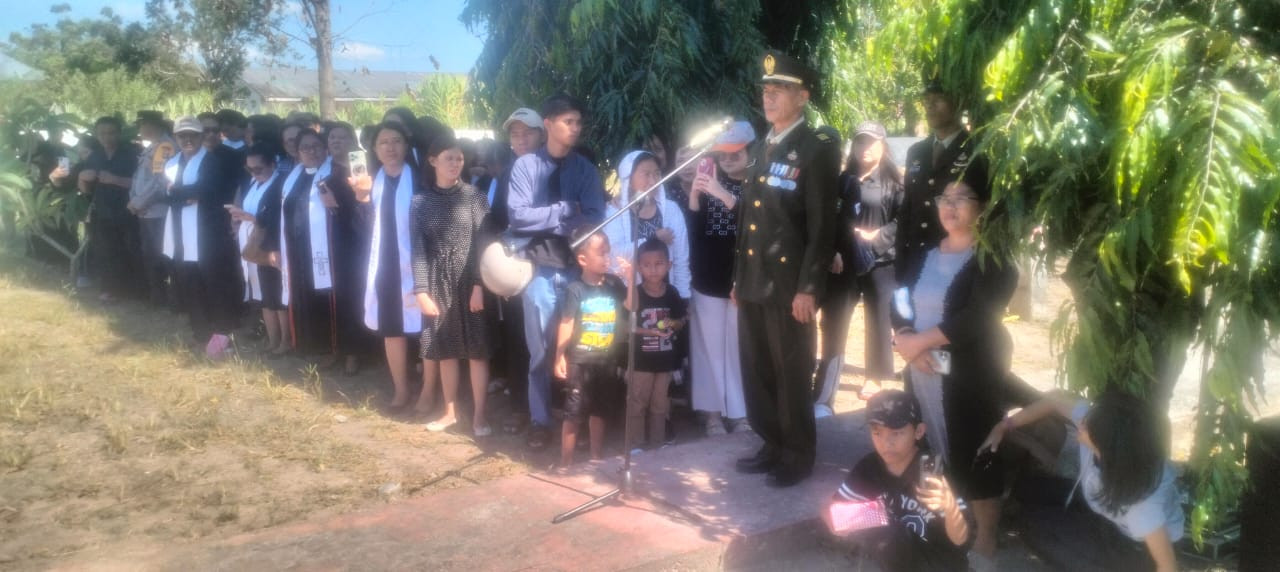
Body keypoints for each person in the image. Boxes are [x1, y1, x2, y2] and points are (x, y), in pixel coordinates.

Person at [890, 158, 1014, 568]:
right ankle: (949, 521)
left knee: (976, 451)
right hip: (921, 369)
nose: (950, 206)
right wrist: (904, 336)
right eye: (945, 198)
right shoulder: (924, 254)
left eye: (962, 198)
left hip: (969, 376)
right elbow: (900, 297)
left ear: (983, 207)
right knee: (932, 447)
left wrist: (920, 345)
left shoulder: (994, 261)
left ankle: (987, 537)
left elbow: (976, 318)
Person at [733, 50, 841, 488]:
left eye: (780, 89)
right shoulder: (762, 146)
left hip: (789, 285)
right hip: (754, 281)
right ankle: (772, 442)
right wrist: (738, 279)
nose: (770, 96)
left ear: (803, 97)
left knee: (791, 370)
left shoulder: (815, 149)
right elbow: (749, 220)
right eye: (766, 89)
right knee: (757, 367)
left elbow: (822, 226)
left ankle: (797, 453)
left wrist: (809, 288)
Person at [980, 391, 1183, 572]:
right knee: (1026, 488)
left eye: (1087, 426)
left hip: (1136, 548)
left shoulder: (1141, 504)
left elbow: (1167, 565)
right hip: (1106, 508)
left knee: (1030, 524)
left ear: (1106, 446)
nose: (1081, 423)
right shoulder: (1104, 428)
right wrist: (1003, 426)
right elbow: (1054, 399)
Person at [507, 94, 607, 450]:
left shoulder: (585, 170)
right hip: (539, 272)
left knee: (579, 349)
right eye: (568, 122)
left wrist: (551, 219)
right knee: (540, 352)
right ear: (548, 124)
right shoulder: (526, 167)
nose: (575, 128)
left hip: (578, 273)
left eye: (578, 122)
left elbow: (595, 217)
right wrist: (563, 211)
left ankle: (575, 420)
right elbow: (518, 215)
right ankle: (540, 421)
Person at [826, 389, 975, 571]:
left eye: (896, 433)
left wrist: (950, 507)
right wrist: (843, 521)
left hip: (940, 563)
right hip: (895, 556)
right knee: (886, 533)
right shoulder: (869, 467)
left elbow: (961, 539)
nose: (886, 443)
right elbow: (833, 509)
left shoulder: (934, 473)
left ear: (918, 431)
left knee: (890, 534)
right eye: (877, 432)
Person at [815, 121, 904, 413]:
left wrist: (877, 237)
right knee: (834, 322)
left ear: (883, 146)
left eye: (871, 142)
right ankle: (824, 390)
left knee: (878, 320)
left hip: (881, 262)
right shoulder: (842, 181)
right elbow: (828, 218)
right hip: (843, 264)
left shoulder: (894, 182)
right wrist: (832, 251)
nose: (865, 148)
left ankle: (875, 377)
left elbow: (904, 221)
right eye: (860, 142)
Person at [411, 135, 494, 437]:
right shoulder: (419, 202)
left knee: (477, 351)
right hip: (437, 282)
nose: (455, 163)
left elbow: (484, 244)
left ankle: (480, 415)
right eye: (449, 158)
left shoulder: (475, 197)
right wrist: (421, 291)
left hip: (471, 280)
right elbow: (418, 250)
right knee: (445, 350)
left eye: (459, 158)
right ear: (433, 160)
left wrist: (479, 285)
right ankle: (450, 412)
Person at [687, 120, 753, 436]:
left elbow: (758, 228)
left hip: (743, 279)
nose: (727, 159)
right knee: (708, 349)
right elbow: (695, 233)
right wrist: (695, 196)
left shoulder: (759, 184)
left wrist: (724, 195)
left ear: (750, 151)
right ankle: (712, 413)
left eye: (735, 153)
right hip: (708, 277)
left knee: (737, 349)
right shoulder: (712, 180)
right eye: (722, 154)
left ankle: (739, 414)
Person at [162, 116, 240, 356]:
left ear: (200, 136)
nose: (188, 140)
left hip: (208, 232)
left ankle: (222, 333)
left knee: (214, 282)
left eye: (193, 135)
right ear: (176, 138)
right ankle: (201, 333)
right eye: (182, 136)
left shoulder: (211, 161)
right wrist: (185, 195)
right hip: (180, 231)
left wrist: (179, 193)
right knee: (190, 282)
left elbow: (206, 191)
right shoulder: (171, 163)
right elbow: (166, 194)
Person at [363, 121, 424, 411]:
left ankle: (429, 389)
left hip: (420, 262)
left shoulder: (421, 179)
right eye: (384, 142)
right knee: (392, 328)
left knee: (426, 328)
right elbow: (362, 229)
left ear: (406, 146)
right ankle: (401, 388)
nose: (390, 147)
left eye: (396, 141)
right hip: (385, 264)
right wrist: (360, 200)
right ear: (375, 149)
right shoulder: (369, 182)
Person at [490, 107, 543, 435]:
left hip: (548, 266)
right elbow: (496, 220)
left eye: (528, 132)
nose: (521, 139)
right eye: (515, 133)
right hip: (514, 268)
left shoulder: (556, 168)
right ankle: (521, 407)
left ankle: (551, 408)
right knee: (516, 337)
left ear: (542, 135)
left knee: (549, 340)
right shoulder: (506, 174)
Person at [553, 227, 627, 465]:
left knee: (600, 410)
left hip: (606, 361)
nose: (607, 257)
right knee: (573, 413)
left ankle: (596, 458)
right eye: (601, 252)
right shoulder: (575, 289)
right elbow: (566, 322)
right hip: (580, 361)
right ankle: (566, 463)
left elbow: (632, 307)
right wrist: (559, 355)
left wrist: (631, 276)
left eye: (608, 251)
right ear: (583, 259)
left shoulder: (615, 284)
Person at [896, 79, 976, 284]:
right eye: (927, 100)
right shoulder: (917, 152)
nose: (930, 106)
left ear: (958, 103)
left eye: (938, 99)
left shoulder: (975, 150)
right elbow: (908, 207)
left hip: (956, 264)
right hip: (916, 260)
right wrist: (901, 260)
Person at [279, 129, 342, 365]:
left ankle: (329, 347)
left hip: (325, 247)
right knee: (301, 294)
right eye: (305, 147)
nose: (311, 151)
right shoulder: (293, 176)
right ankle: (306, 344)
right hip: (296, 250)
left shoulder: (334, 173)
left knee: (324, 294)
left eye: (316, 146)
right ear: (297, 152)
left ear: (325, 148)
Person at [324, 121, 377, 376]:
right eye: (332, 137)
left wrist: (337, 204)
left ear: (353, 141)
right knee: (338, 294)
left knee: (355, 294)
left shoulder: (360, 167)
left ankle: (355, 351)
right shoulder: (326, 167)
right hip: (331, 238)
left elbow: (366, 203)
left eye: (342, 137)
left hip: (357, 239)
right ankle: (340, 347)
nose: (336, 141)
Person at [227, 144, 290, 355]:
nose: (254, 173)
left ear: (273, 164)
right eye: (250, 169)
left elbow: (278, 219)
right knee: (264, 295)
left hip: (272, 245)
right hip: (254, 245)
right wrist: (240, 216)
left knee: (278, 295)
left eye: (258, 168)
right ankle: (272, 339)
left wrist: (251, 218)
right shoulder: (253, 183)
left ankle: (285, 341)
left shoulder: (281, 184)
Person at [624, 238, 686, 449]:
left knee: (660, 405)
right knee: (637, 403)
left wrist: (673, 323)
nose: (652, 270)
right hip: (641, 362)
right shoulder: (636, 293)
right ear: (639, 267)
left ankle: (658, 444)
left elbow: (681, 320)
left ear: (669, 265)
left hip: (664, 361)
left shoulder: (672, 293)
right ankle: (635, 445)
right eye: (647, 265)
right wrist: (649, 331)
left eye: (658, 264)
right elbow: (627, 325)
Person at [603, 150, 691, 298]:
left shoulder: (671, 210)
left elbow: (681, 258)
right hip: (627, 294)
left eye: (656, 174)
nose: (653, 181)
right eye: (646, 174)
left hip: (665, 296)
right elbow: (614, 255)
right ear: (629, 179)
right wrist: (652, 238)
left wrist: (683, 296)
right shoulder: (615, 211)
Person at [79, 116, 143, 304]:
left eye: (111, 133)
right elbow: (86, 190)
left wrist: (114, 179)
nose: (107, 137)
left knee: (131, 250)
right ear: (97, 135)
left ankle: (137, 290)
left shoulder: (132, 153)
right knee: (106, 251)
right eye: (102, 134)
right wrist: (82, 179)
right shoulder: (94, 156)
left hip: (128, 209)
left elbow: (141, 184)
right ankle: (110, 289)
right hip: (102, 210)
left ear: (119, 133)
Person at [127, 110, 177, 308]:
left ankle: (168, 299)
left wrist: (139, 203)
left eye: (142, 125)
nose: (140, 129)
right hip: (145, 210)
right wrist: (134, 200)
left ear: (152, 125)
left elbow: (160, 182)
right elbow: (139, 178)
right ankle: (157, 296)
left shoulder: (165, 147)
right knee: (150, 255)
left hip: (157, 211)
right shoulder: (154, 146)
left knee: (160, 256)